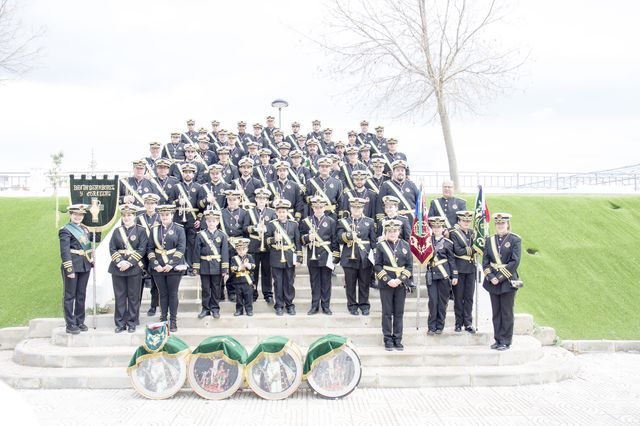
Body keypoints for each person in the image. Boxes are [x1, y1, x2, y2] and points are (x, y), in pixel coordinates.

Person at [483, 213, 522, 351]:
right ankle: (498, 339)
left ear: (507, 224)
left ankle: (506, 341)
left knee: (506, 312)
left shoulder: (515, 240)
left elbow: (515, 262)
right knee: (496, 312)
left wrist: (498, 277)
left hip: (507, 281)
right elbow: (485, 262)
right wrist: (490, 276)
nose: (500, 226)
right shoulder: (490, 240)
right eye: (498, 224)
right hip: (492, 280)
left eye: (503, 223)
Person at [374, 219, 413, 351]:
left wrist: (400, 279)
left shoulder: (405, 245)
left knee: (398, 312)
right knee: (387, 312)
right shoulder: (380, 246)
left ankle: (397, 338)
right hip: (386, 284)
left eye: (395, 231)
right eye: (390, 231)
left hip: (400, 284)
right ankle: (387, 339)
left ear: (399, 231)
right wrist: (388, 279)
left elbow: (409, 267)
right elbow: (377, 266)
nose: (392, 233)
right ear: (386, 232)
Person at [147, 205, 187, 332]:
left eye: (167, 214)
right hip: (158, 268)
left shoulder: (179, 229)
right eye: (162, 215)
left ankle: (173, 320)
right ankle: (163, 319)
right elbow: (150, 248)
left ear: (172, 215)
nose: (165, 217)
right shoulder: (154, 229)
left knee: (173, 294)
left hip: (174, 268)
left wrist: (171, 264)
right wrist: (155, 264)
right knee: (162, 294)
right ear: (159, 215)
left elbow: (181, 248)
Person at [109, 204, 148, 333]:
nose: (126, 218)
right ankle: (120, 323)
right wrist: (120, 262)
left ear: (134, 216)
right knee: (119, 296)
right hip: (118, 268)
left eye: (129, 215)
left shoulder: (141, 231)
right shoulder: (117, 231)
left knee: (133, 296)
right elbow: (112, 248)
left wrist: (129, 262)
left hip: (134, 268)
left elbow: (142, 249)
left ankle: (132, 322)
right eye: (124, 215)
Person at [299, 196, 339, 315]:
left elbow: (334, 240)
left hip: (326, 255)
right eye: (316, 207)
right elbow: (301, 239)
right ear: (312, 208)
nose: (318, 209)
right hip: (313, 255)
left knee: (326, 282)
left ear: (324, 207)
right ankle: (314, 305)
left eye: (321, 207)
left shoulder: (331, 221)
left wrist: (335, 256)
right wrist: (307, 238)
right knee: (314, 282)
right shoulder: (306, 221)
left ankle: (326, 306)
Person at [337, 198, 376, 316]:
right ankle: (352, 305)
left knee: (364, 283)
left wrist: (374, 256)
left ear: (362, 208)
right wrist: (348, 235)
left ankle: (364, 305)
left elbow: (373, 241)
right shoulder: (343, 221)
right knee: (350, 283)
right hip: (349, 257)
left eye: (359, 208)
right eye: (354, 207)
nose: (356, 210)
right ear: (350, 208)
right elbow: (338, 238)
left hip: (364, 257)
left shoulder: (369, 222)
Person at [58, 204, 93, 334]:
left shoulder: (85, 229)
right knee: (69, 296)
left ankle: (80, 321)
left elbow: (94, 241)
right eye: (75, 214)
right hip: (72, 265)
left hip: (84, 265)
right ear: (70, 214)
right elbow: (65, 251)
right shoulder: (65, 230)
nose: (78, 217)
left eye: (81, 215)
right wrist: (69, 269)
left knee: (81, 295)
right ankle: (70, 324)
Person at [265, 199, 302, 316]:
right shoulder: (271, 224)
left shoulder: (294, 224)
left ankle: (289, 304)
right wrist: (273, 239)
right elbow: (266, 240)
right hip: (276, 257)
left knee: (289, 282)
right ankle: (279, 305)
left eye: (284, 212)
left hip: (290, 257)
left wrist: (299, 258)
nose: (281, 214)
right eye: (279, 212)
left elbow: (297, 243)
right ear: (276, 212)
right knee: (278, 283)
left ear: (287, 212)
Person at [193, 209, 229, 319]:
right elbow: (196, 252)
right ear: (206, 222)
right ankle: (205, 309)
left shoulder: (222, 235)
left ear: (218, 222)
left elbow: (224, 253)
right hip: (204, 265)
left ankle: (215, 308)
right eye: (209, 221)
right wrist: (196, 267)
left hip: (217, 267)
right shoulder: (201, 235)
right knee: (205, 289)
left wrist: (224, 269)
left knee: (216, 288)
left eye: (214, 221)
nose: (211, 223)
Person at [243, 188, 277, 304]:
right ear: (256, 199)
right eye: (259, 198)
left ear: (267, 200)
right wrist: (254, 228)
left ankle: (268, 294)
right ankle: (253, 293)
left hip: (267, 246)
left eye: (264, 198)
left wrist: (266, 229)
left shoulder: (272, 213)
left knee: (267, 270)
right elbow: (245, 228)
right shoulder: (250, 212)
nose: (261, 200)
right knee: (254, 270)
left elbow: (274, 229)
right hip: (253, 245)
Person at [425, 216, 458, 336]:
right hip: (432, 275)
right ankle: (431, 326)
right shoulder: (427, 241)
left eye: (439, 227)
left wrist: (455, 276)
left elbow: (452, 260)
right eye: (434, 227)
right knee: (433, 301)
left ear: (443, 228)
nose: (437, 229)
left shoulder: (448, 243)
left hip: (444, 275)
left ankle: (440, 325)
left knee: (442, 302)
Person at [173, 163, 205, 276]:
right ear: (182, 173)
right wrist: (177, 202)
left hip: (192, 219)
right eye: (185, 172)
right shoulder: (176, 187)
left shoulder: (198, 187)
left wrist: (199, 219)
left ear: (193, 174)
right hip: (178, 219)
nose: (187, 174)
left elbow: (202, 206)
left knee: (192, 244)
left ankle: (191, 267)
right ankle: (181, 266)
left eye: (190, 172)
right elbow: (169, 203)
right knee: (180, 244)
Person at [450, 211, 477, 333]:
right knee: (459, 297)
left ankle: (468, 322)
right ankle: (458, 323)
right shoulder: (454, 234)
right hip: (459, 268)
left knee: (469, 297)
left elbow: (478, 248)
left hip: (471, 269)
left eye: (468, 221)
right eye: (463, 221)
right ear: (459, 221)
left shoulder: (473, 233)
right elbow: (458, 251)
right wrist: (473, 249)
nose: (466, 223)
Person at [220, 189, 248, 301]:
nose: (232, 201)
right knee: (223, 268)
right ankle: (221, 292)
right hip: (225, 244)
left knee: (235, 268)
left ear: (239, 200)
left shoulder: (244, 213)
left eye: (234, 199)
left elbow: (245, 230)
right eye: (229, 199)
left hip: (238, 245)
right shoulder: (221, 213)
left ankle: (233, 291)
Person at [137, 193, 161, 317]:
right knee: (139, 280)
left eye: (152, 203)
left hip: (155, 253)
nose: (150, 205)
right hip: (141, 254)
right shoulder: (138, 218)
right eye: (148, 203)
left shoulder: (160, 217)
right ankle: (137, 305)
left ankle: (153, 306)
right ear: (144, 204)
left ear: (156, 204)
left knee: (155, 281)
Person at [305, 157, 343, 222]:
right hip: (315, 214)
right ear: (318, 168)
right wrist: (311, 198)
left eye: (327, 166)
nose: (324, 168)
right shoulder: (311, 182)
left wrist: (339, 215)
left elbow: (340, 201)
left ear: (330, 168)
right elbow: (305, 198)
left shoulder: (337, 183)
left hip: (331, 214)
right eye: (322, 166)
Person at [228, 238, 256, 316]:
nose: (241, 251)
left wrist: (249, 265)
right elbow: (232, 268)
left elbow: (253, 266)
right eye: (239, 250)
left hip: (248, 281)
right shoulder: (234, 258)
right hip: (238, 281)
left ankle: (249, 310)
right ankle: (239, 310)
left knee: (248, 297)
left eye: (243, 249)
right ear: (236, 250)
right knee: (239, 297)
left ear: (247, 249)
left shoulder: (249, 257)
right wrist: (239, 268)